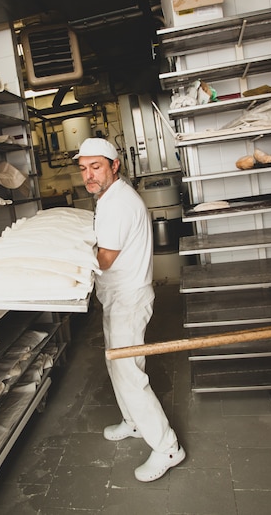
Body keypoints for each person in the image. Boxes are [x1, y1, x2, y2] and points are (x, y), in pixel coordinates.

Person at [74, 137, 185, 482]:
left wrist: (70, 258)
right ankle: (134, 422)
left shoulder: (119, 203)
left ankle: (167, 447)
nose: (89, 175)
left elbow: (104, 258)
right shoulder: (108, 198)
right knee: (118, 364)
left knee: (130, 374)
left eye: (96, 167)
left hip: (129, 298)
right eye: (83, 169)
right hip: (117, 295)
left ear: (114, 166)